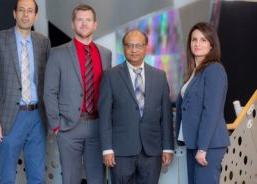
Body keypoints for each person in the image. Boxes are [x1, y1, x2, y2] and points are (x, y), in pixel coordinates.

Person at [0, 0, 50, 184]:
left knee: (37, 175)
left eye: (30, 11)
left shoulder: (43, 42)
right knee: (7, 176)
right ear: (14, 13)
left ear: (36, 16)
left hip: (38, 116)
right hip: (9, 118)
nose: (25, 14)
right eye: (21, 10)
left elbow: (48, 82)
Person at [43, 4, 112, 184]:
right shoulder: (57, 53)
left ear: (95, 24)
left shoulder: (105, 54)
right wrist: (56, 125)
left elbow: (108, 92)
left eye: (88, 20)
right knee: (70, 179)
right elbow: (49, 92)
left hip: (98, 126)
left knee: (97, 179)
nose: (84, 24)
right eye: (79, 19)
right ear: (73, 24)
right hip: (68, 127)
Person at [99, 29, 174, 184]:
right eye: (129, 45)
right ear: (123, 48)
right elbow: (104, 116)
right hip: (120, 152)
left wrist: (168, 147)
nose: (133, 50)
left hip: (151, 151)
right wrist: (107, 149)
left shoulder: (159, 76)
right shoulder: (110, 76)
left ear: (146, 47)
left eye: (138, 45)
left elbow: (166, 115)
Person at [175, 22, 230, 184]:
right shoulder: (194, 72)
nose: (197, 44)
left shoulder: (214, 70)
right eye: (194, 39)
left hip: (208, 145)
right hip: (194, 142)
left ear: (212, 44)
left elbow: (211, 112)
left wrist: (203, 148)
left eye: (203, 40)